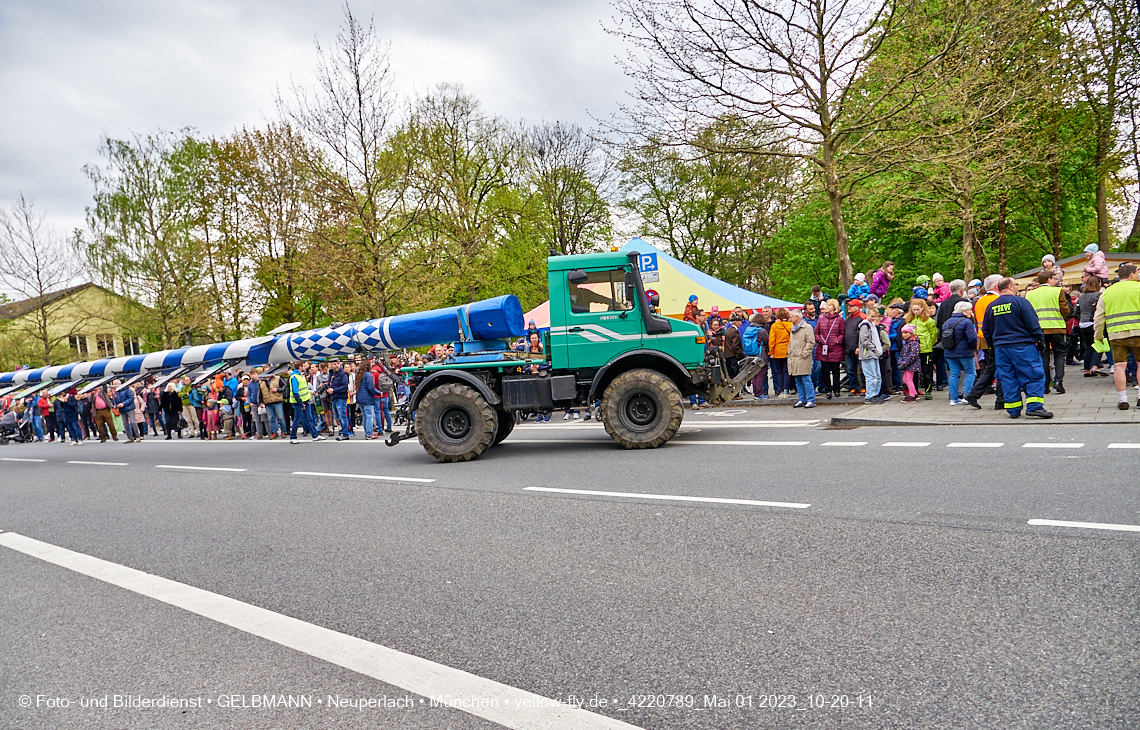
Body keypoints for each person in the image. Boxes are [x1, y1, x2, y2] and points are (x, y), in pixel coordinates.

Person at [982, 277, 1052, 419]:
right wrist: (1040, 340)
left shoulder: (992, 306)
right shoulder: (1020, 302)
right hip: (1023, 346)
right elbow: (1032, 322)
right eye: (1016, 284)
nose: (1018, 287)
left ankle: (1013, 409)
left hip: (1001, 348)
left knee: (1008, 377)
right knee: (1033, 375)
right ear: (1009, 287)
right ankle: (1034, 407)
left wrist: (992, 348)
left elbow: (986, 330)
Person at [1093, 263, 1140, 410]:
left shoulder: (1107, 292)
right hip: (1138, 332)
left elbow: (1099, 317)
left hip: (1116, 334)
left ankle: (1123, 399)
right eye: (1137, 272)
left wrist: (1098, 335)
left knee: (1119, 366)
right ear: (1132, 275)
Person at [1026, 270, 1071, 395]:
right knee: (1059, 354)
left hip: (1039, 329)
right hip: (1057, 327)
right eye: (1053, 278)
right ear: (1049, 279)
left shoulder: (1030, 294)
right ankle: (1058, 381)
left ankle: (1045, 385)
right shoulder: (1057, 291)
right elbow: (1065, 308)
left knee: (1043, 356)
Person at [965, 274, 1006, 410]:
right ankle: (1000, 399)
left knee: (992, 368)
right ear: (997, 285)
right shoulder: (998, 300)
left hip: (983, 338)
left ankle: (975, 394)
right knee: (1001, 368)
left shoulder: (979, 301)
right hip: (996, 338)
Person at [944, 301, 978, 405]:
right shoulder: (967, 322)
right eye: (969, 309)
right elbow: (972, 338)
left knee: (954, 374)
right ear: (964, 310)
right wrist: (973, 348)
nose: (971, 311)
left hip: (950, 351)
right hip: (965, 351)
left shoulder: (947, 322)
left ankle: (953, 398)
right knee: (970, 372)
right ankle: (967, 396)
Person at [905, 299, 938, 400]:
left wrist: (928, 344)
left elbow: (933, 334)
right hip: (912, 351)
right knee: (912, 372)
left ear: (923, 309)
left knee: (927, 371)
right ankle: (913, 391)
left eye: (917, 309)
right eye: (913, 310)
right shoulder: (909, 319)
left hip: (925, 349)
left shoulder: (929, 321)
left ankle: (928, 391)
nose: (915, 312)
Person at [814, 299, 845, 399]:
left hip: (835, 348)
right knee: (825, 371)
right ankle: (828, 390)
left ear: (834, 307)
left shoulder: (840, 320)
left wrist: (838, 340)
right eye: (826, 305)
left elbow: (842, 333)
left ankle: (836, 389)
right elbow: (816, 332)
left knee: (835, 371)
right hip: (823, 347)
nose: (827, 307)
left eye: (829, 305)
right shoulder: (821, 319)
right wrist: (819, 340)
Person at [787, 308, 816, 408]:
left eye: (791, 317)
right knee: (798, 380)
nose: (789, 319)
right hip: (793, 357)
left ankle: (811, 399)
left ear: (796, 317)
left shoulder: (807, 327)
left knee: (806, 379)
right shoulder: (793, 328)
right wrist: (789, 353)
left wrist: (803, 354)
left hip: (803, 357)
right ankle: (802, 399)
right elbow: (791, 342)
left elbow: (811, 342)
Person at [1078, 276, 1107, 376]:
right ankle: (1095, 366)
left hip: (1082, 323)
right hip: (1093, 322)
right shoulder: (1098, 295)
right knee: (1100, 345)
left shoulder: (1082, 296)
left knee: (1089, 347)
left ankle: (1087, 369)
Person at [289, 363, 323, 443]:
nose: (306, 368)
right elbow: (295, 392)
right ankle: (293, 437)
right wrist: (301, 403)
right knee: (297, 419)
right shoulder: (294, 377)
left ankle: (315, 435)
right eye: (304, 366)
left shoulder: (301, 376)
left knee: (309, 418)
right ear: (300, 367)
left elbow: (304, 389)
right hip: (298, 402)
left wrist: (312, 392)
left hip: (304, 400)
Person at [858, 305, 885, 403]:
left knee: (877, 376)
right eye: (872, 316)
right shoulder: (865, 326)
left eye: (875, 317)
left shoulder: (872, 325)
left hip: (874, 354)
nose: (873, 318)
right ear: (867, 314)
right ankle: (870, 396)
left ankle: (875, 394)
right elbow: (865, 340)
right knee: (871, 376)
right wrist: (874, 349)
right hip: (868, 354)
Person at [767, 309, 792, 396]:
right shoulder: (790, 325)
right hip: (788, 350)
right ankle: (786, 389)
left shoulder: (774, 326)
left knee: (779, 371)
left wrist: (771, 352)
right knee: (787, 371)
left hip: (777, 350)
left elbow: (771, 340)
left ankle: (780, 389)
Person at [844, 299, 866, 395]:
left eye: (852, 306)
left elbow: (863, 334)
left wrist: (859, 346)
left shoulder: (862, 318)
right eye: (849, 306)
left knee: (862, 369)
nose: (849, 307)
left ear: (858, 307)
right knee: (851, 370)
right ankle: (854, 387)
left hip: (859, 348)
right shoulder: (848, 318)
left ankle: (864, 387)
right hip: (848, 348)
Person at [897, 325, 922, 402]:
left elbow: (913, 355)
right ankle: (914, 393)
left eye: (906, 332)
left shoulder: (914, 343)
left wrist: (904, 363)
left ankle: (912, 395)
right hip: (907, 364)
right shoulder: (906, 342)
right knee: (905, 379)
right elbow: (902, 353)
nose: (904, 334)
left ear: (911, 333)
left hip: (911, 365)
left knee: (908, 379)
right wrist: (900, 362)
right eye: (903, 333)